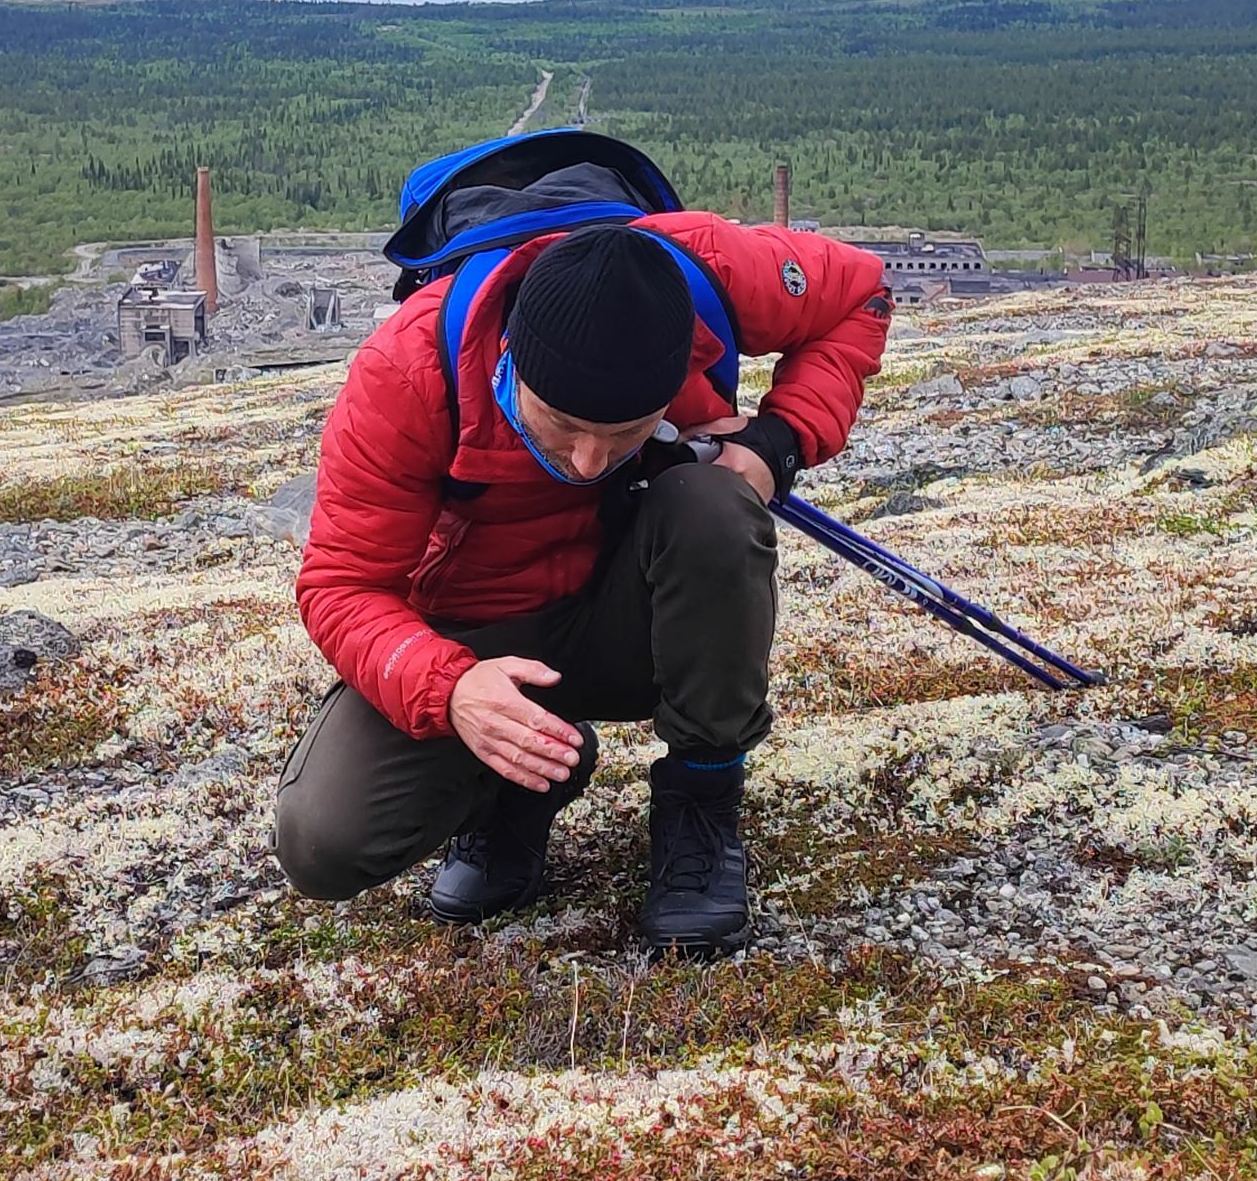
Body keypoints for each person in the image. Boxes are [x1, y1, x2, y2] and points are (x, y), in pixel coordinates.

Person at [275, 215, 890, 951]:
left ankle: (703, 798)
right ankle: (513, 789)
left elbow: (861, 292)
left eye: (628, 432)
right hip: (474, 641)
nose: (591, 461)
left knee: (714, 508)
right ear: (512, 356)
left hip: (628, 611)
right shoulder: (409, 370)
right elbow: (342, 585)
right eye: (561, 424)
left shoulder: (711, 273)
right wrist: (451, 690)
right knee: (323, 842)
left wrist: (777, 443)